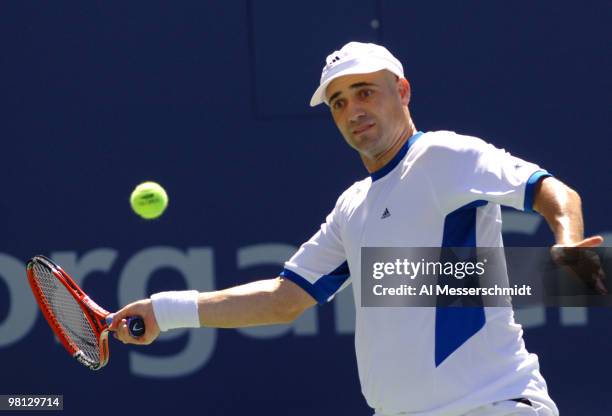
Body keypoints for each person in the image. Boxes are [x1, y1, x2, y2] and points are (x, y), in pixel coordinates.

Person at [111, 42, 605, 415]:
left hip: (492, 406)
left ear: (402, 91)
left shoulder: (444, 156)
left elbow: (553, 192)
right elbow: (284, 299)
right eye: (339, 102)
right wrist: (164, 311)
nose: (353, 111)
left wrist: (566, 242)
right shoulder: (352, 207)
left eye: (364, 92)